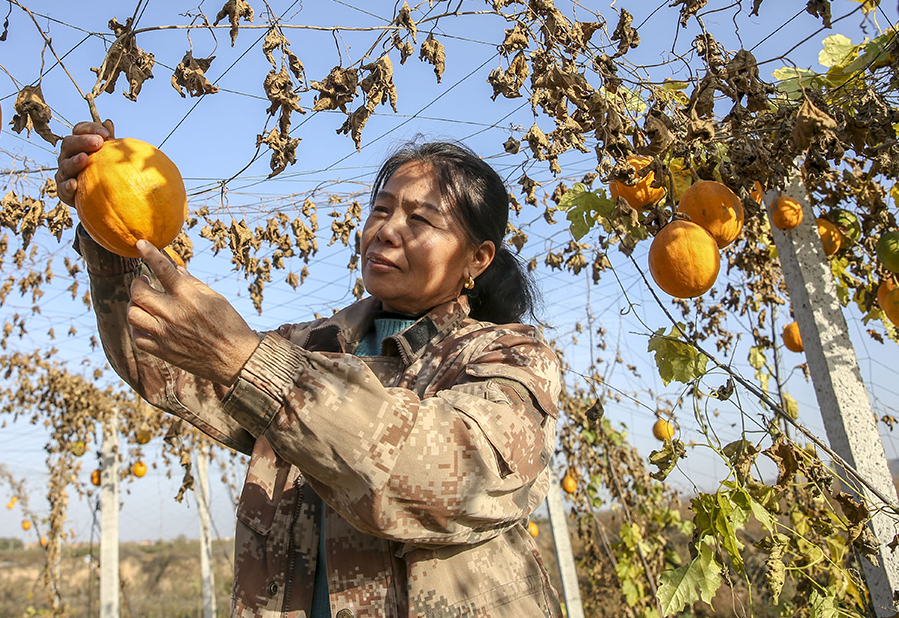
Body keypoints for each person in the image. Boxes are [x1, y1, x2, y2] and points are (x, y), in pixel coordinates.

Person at [56, 124, 563, 618]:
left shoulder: (509, 356)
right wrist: (109, 231)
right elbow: (158, 365)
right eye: (380, 210)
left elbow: (453, 477)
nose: (386, 230)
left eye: (420, 220)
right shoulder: (311, 345)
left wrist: (249, 365)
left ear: (478, 257)